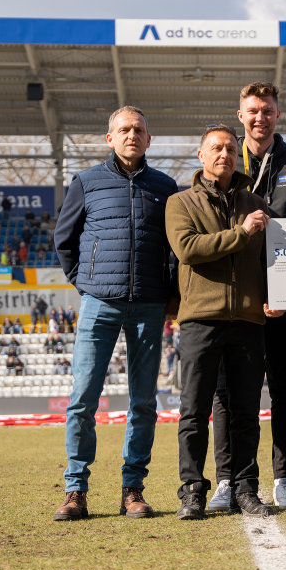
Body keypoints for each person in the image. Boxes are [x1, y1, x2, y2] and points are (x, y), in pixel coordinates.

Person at [52, 105, 179, 522]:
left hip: (148, 303)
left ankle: (132, 489)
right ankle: (75, 490)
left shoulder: (165, 186)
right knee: (82, 400)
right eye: (123, 129)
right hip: (98, 303)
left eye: (138, 129)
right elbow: (65, 239)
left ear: (149, 138)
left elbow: (175, 249)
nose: (131, 135)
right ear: (110, 138)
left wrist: (168, 293)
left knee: (143, 401)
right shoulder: (86, 182)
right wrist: (86, 282)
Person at [207, 81, 286, 513]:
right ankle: (227, 479)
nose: (259, 117)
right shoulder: (225, 163)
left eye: (267, 110)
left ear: (277, 115)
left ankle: (283, 478)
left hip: (285, 298)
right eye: (252, 111)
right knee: (228, 393)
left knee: (284, 390)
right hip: (238, 299)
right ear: (241, 115)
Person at [165, 123, 273, 521]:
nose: (223, 154)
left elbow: (272, 259)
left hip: (247, 319)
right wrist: (240, 233)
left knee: (246, 412)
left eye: (230, 147)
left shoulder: (255, 202)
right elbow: (189, 249)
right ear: (201, 155)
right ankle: (192, 489)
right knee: (193, 411)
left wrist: (275, 295)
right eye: (215, 148)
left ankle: (246, 488)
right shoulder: (180, 203)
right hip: (199, 321)